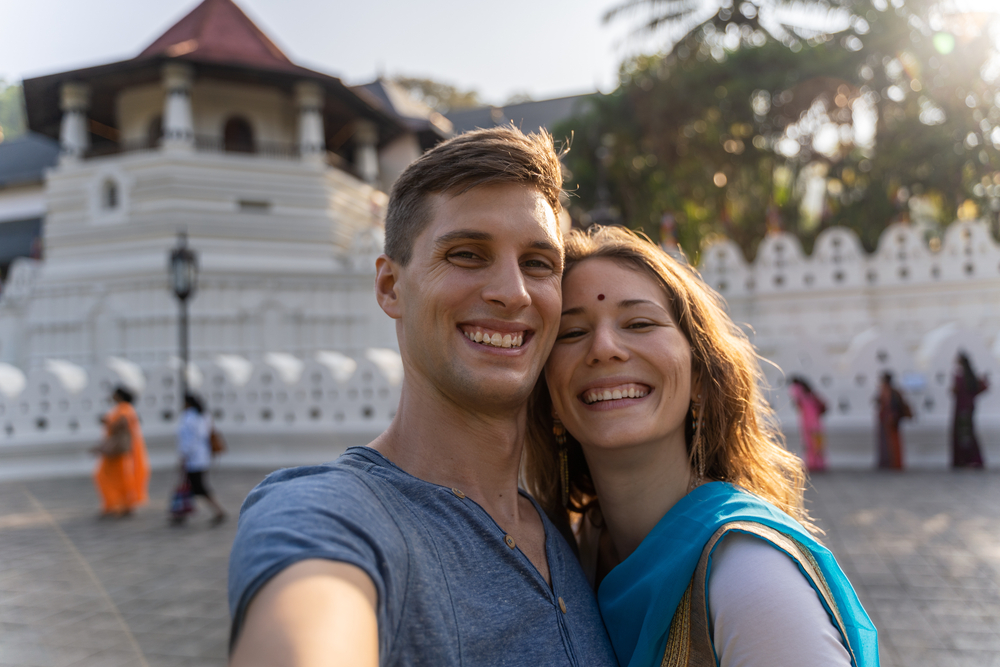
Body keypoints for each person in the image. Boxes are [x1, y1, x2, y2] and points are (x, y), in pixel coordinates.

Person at [227, 127, 618, 666]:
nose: (512, 291)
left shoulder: (571, 540)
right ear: (391, 287)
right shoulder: (338, 515)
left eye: (537, 263)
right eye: (466, 254)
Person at [524, 226, 878, 667]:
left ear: (700, 379)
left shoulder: (748, 574)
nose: (604, 348)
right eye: (571, 332)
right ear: (548, 394)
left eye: (639, 323)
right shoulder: (572, 554)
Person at [93, 385, 149, 518]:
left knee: (114, 477)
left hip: (119, 451)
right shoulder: (123, 408)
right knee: (107, 476)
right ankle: (117, 504)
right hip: (116, 450)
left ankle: (123, 504)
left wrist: (109, 423)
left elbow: (123, 423)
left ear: (119, 395)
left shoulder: (125, 408)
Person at [174, 393, 226, 525]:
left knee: (198, 486)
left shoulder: (188, 418)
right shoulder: (204, 415)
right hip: (203, 455)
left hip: (193, 457)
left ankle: (218, 510)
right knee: (191, 484)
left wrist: (183, 456)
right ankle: (181, 512)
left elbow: (188, 440)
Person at [951, 352, 988, 468]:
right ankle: (971, 459)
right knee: (967, 433)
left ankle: (965, 459)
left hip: (962, 409)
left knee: (964, 434)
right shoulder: (970, 375)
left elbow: (955, 391)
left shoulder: (960, 376)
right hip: (968, 408)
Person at [789, 375, 828, 472]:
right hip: (817, 423)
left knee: (809, 444)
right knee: (817, 444)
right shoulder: (811, 394)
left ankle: (812, 464)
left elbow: (796, 401)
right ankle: (820, 464)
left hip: (807, 423)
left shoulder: (797, 390)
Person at [877, 372, 911, 470]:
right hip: (891, 419)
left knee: (892, 442)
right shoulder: (894, 391)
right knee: (892, 441)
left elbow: (888, 404)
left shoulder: (888, 391)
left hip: (890, 420)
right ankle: (893, 462)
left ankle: (894, 462)